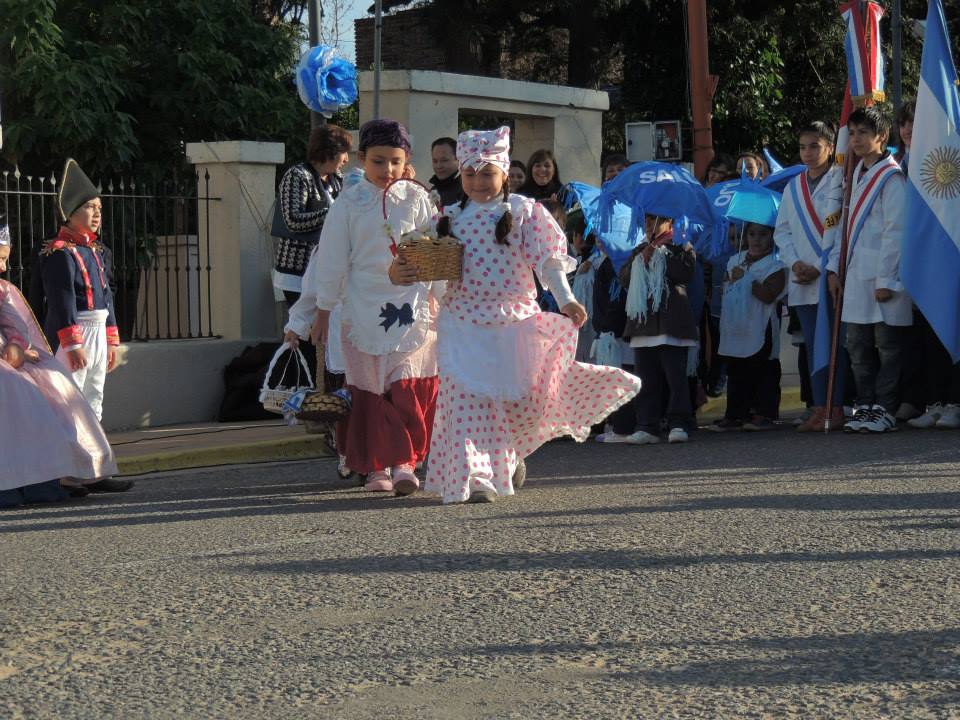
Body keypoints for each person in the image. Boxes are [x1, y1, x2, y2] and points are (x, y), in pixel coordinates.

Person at [399, 126, 639, 504]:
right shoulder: (447, 218)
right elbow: (418, 261)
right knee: (466, 402)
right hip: (461, 323)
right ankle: (476, 476)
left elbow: (548, 262)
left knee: (512, 403)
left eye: (487, 173)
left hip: (512, 323)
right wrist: (405, 266)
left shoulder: (525, 212)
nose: (478, 181)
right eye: (470, 173)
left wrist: (565, 299)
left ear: (504, 172)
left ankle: (506, 457)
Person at [309, 119, 441, 495]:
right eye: (379, 162)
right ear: (362, 159)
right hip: (362, 307)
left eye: (396, 162)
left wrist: (439, 296)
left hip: (411, 304)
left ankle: (406, 462)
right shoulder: (348, 203)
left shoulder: (417, 199)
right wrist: (323, 310)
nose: (388, 171)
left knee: (405, 387)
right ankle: (377, 466)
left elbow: (435, 247)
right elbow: (332, 260)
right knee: (370, 390)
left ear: (407, 161)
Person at [1, 229, 120, 507]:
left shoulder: (3, 291)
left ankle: (39, 480)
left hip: (10, 358)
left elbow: (14, 325)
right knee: (13, 391)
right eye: (0, 259)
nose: (4, 267)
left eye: (6, 260)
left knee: (45, 394)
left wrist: (17, 344)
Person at [827, 106, 910, 434]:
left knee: (887, 348)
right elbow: (842, 228)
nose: (857, 139)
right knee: (858, 349)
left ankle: (886, 408)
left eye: (864, 132)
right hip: (853, 275)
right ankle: (865, 406)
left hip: (881, 276)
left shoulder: (891, 178)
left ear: (882, 137)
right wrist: (833, 269)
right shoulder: (852, 174)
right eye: (853, 133)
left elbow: (896, 231)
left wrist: (886, 279)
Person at [774, 120, 848, 432]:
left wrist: (821, 265)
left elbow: (844, 230)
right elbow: (783, 231)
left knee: (834, 345)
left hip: (829, 276)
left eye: (814, 146)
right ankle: (819, 406)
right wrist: (795, 264)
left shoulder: (841, 182)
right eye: (803, 146)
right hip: (801, 280)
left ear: (831, 147)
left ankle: (838, 406)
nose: (807, 152)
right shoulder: (793, 186)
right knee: (811, 345)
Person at [619, 215, 698, 444]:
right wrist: (641, 259)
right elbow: (625, 279)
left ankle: (679, 422)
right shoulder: (639, 249)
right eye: (646, 220)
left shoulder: (681, 246)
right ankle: (647, 425)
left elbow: (685, 274)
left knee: (675, 378)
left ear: (669, 222)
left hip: (672, 323)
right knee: (646, 379)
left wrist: (663, 254)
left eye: (655, 219)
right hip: (643, 325)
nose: (649, 224)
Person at [710, 222, 786, 431]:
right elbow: (726, 289)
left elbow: (769, 295)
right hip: (736, 324)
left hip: (761, 324)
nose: (756, 239)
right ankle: (735, 414)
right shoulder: (736, 260)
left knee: (763, 369)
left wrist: (747, 279)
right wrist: (731, 280)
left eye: (763, 234)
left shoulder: (776, 264)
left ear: (772, 236)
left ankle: (764, 413)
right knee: (736, 368)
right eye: (752, 234)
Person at [273, 124, 351, 307]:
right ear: (329, 151)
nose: (347, 159)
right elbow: (293, 220)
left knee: (326, 330)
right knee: (304, 330)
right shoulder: (297, 175)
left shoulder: (337, 179)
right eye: (344, 152)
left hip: (327, 270)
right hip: (298, 271)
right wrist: (334, 212)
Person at [428, 137, 464, 208]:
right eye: (435, 161)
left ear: (458, 159)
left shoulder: (468, 189)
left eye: (444, 160)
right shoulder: (433, 191)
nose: (439, 166)